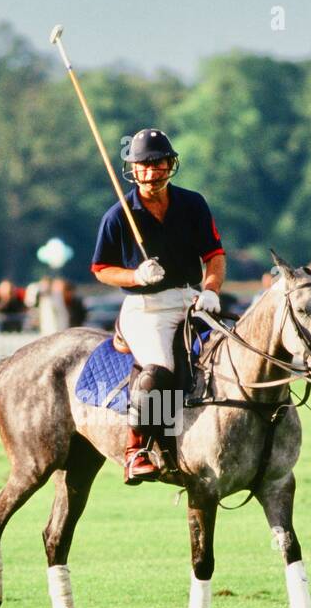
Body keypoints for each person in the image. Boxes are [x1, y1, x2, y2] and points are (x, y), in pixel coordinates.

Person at [90, 128, 224, 484]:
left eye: (158, 162)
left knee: (226, 355)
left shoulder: (193, 204)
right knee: (160, 367)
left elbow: (213, 255)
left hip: (189, 298)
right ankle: (137, 449)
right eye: (143, 164)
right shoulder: (118, 215)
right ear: (132, 169)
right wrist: (135, 276)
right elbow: (101, 270)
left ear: (170, 165)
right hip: (144, 308)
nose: (151, 171)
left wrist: (210, 290)